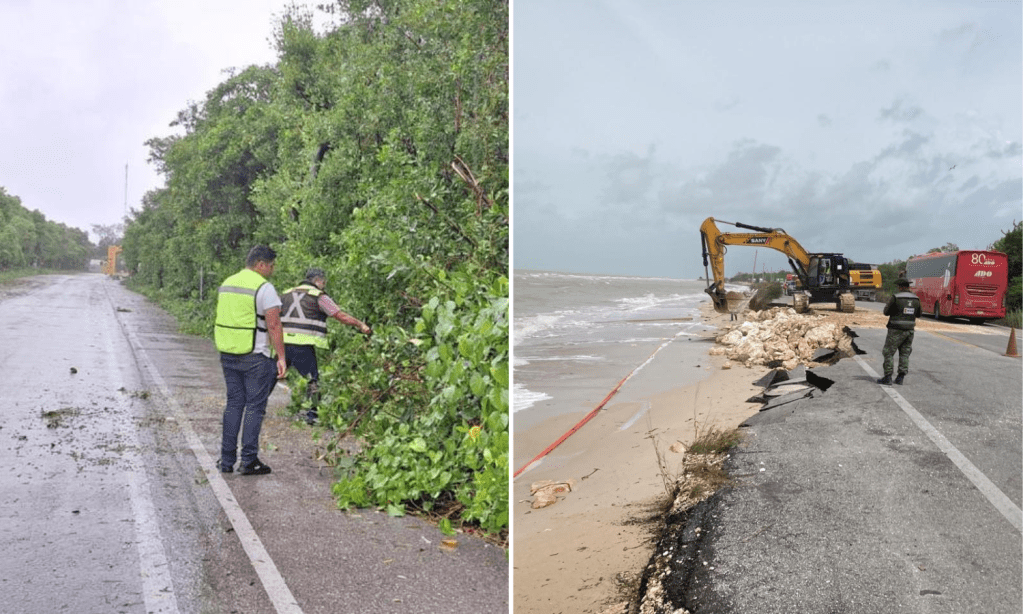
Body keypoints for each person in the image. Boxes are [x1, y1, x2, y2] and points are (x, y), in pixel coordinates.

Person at [213, 245, 287, 475]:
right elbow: (274, 324)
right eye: (271, 266)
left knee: (234, 404)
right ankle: (249, 460)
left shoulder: (227, 283)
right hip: (255, 355)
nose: (272, 270)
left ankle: (226, 461)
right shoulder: (264, 288)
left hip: (228, 352)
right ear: (261, 264)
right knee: (255, 407)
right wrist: (281, 357)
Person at [280, 268, 372, 425]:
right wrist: (360, 324)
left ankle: (255, 406)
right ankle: (312, 414)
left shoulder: (286, 293)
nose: (324, 285)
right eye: (323, 282)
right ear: (317, 281)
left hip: (282, 341)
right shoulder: (319, 296)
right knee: (312, 379)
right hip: (302, 342)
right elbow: (340, 315)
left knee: (272, 374)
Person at [878, 277, 921, 386]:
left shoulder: (896, 297)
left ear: (901, 287)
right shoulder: (916, 299)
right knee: (905, 353)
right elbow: (919, 314)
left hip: (895, 329)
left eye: (898, 287)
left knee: (888, 352)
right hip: (910, 330)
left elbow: (886, 312)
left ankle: (887, 377)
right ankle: (900, 377)